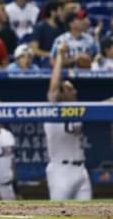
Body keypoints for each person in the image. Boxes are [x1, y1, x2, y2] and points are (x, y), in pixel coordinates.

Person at [45, 41, 91, 200]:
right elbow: (54, 87)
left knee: (88, 214)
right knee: (60, 214)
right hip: (60, 170)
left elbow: (105, 104)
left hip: (81, 169)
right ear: (62, 94)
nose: (75, 91)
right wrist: (59, 56)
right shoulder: (53, 108)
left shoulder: (81, 109)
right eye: (70, 89)